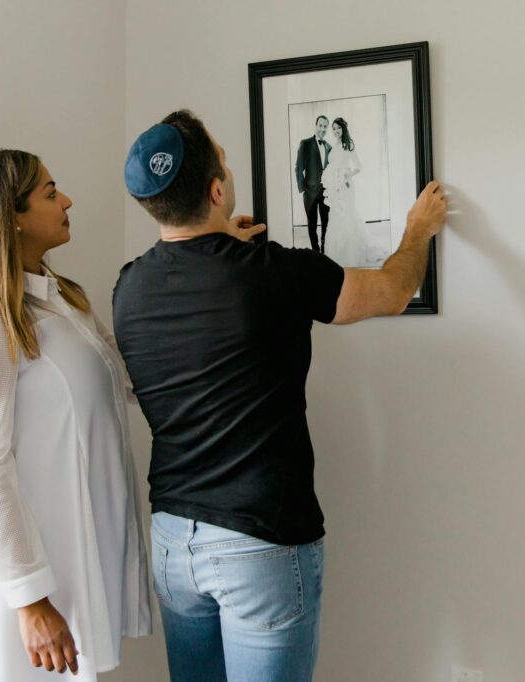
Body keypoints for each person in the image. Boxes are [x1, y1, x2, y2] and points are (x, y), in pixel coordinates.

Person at [112, 110, 446, 682]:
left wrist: (221, 242)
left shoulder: (128, 286)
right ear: (218, 190)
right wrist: (419, 230)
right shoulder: (273, 273)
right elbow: (392, 290)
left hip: (172, 541)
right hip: (257, 542)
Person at [0, 150, 151, 681]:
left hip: (69, 553)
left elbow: (132, 380)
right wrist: (29, 599)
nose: (67, 200)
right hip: (20, 573)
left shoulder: (64, 303)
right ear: (11, 216)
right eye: (51, 193)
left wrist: (209, 255)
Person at [321, 117, 367, 267]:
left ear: (343, 129)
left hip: (345, 185)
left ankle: (349, 254)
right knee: (335, 216)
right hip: (335, 188)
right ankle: (336, 254)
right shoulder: (334, 146)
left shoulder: (348, 145)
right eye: (333, 128)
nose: (336, 131)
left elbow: (359, 167)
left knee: (346, 215)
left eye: (338, 128)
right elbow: (332, 166)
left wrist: (346, 175)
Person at [295, 115, 332, 252]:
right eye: (320, 125)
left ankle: (324, 249)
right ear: (316, 126)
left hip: (326, 193)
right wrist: (302, 189)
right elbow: (298, 168)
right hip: (309, 193)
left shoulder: (329, 147)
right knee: (312, 224)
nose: (322, 129)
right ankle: (316, 252)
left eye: (325, 126)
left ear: (327, 128)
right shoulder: (305, 143)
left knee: (326, 223)